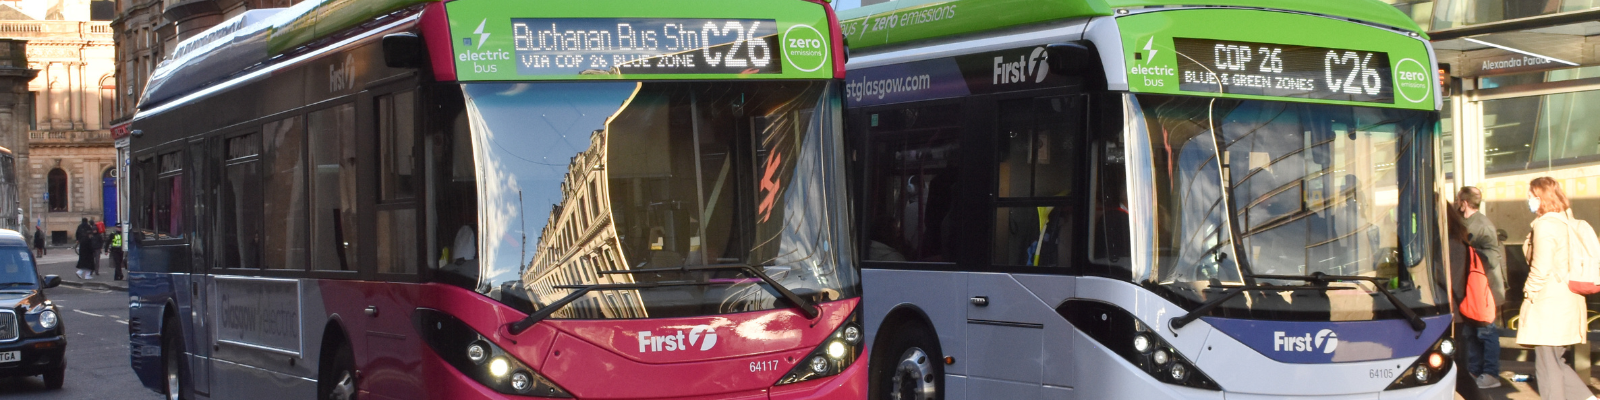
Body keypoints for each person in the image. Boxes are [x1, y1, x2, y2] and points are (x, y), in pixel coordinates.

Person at [1516, 177, 1593, 400]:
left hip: (1548, 304)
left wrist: (1529, 293)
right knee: (1557, 362)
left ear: (1540, 198)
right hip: (1567, 302)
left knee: (1548, 369)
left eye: (1530, 196)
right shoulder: (1566, 221)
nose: (1528, 200)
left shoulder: (1546, 225)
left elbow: (1541, 268)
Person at [1457, 187, 1508, 389]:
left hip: (1485, 289)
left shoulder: (1482, 225)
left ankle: (1490, 373)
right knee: (1471, 332)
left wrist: (1468, 253)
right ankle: (1475, 370)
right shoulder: (1467, 222)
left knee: (1486, 332)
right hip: (1473, 289)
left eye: (1458, 200)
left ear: (1464, 202)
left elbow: (1492, 256)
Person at [1447, 204, 1488, 400]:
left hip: (1451, 313)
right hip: (1457, 313)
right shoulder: (1458, 241)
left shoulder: (1451, 245)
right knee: (1456, 366)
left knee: (1456, 368)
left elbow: (1449, 281)